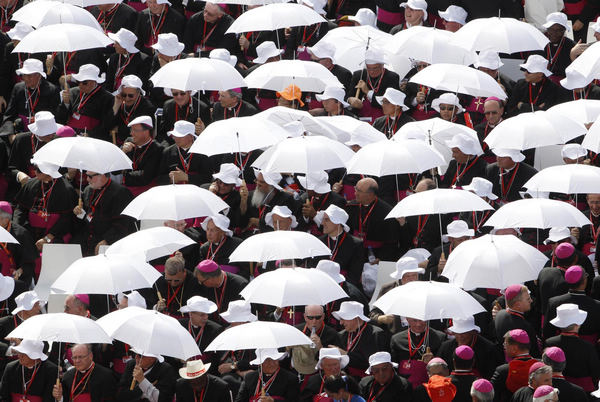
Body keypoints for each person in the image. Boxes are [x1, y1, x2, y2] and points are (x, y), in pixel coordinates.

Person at [13, 160, 78, 253]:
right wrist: (17, 229)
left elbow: (66, 219)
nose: (34, 171)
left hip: (55, 235)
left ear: (48, 171)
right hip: (31, 233)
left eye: (38, 170)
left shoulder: (66, 189)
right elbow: (21, 209)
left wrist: (48, 238)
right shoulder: (31, 184)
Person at [72, 170, 135, 255]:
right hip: (90, 240)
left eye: (90, 176)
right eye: (86, 176)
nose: (87, 179)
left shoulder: (120, 193)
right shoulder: (88, 190)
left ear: (101, 175)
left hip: (110, 243)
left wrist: (107, 240)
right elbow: (90, 216)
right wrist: (80, 213)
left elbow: (124, 223)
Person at [545, 303, 600, 392]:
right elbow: (595, 372)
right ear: (577, 324)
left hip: (555, 387)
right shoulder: (588, 346)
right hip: (583, 389)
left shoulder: (550, 343)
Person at [0, 58, 60, 138]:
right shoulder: (18, 88)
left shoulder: (52, 90)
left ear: (38, 75)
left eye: (29, 75)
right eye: (24, 75)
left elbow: (55, 118)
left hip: (42, 134)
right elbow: (9, 115)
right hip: (19, 132)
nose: (25, 78)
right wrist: (11, 135)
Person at [345, 177, 398, 263]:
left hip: (375, 255)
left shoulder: (387, 212)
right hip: (354, 251)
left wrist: (381, 258)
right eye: (356, 189)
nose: (355, 193)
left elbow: (391, 240)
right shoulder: (351, 206)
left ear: (370, 194)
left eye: (359, 191)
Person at [56, 64, 115, 140]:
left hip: (91, 138)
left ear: (94, 81)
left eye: (84, 82)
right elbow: (60, 119)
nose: (80, 85)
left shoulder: (107, 98)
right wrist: (66, 104)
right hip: (70, 135)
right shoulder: (72, 92)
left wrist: (90, 135)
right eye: (78, 81)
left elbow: (106, 124)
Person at [544, 266, 600, 342]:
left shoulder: (553, 302)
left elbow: (548, 332)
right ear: (584, 281)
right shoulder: (597, 305)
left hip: (560, 347)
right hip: (589, 350)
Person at [333, 301, 388, 379]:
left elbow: (372, 363)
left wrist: (346, 354)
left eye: (343, 318)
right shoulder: (341, 335)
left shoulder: (375, 334)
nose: (341, 323)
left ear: (355, 318)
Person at [346, 48, 400, 123]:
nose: (371, 71)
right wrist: (351, 100)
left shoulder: (392, 77)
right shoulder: (359, 75)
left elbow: (389, 102)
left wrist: (367, 92)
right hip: (361, 117)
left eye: (375, 68)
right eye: (369, 68)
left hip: (382, 118)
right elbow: (348, 96)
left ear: (382, 65)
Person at [390, 317, 446, 388]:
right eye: (414, 320)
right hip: (406, 385)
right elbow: (394, 366)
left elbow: (446, 366)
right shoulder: (397, 339)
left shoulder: (440, 337)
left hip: (431, 384)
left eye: (421, 320)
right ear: (408, 320)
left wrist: (434, 360)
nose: (418, 324)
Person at [314, 205, 363, 286]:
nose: (322, 223)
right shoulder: (318, 241)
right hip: (320, 285)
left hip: (344, 286)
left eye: (326, 220)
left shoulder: (355, 244)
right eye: (323, 219)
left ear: (337, 223)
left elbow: (354, 275)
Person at [238, 170, 300, 235]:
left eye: (262, 182)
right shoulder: (251, 195)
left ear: (272, 186)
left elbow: (282, 226)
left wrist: (258, 223)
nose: (258, 184)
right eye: (257, 180)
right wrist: (243, 202)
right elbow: (241, 223)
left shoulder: (285, 199)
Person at [8, 111, 60, 187]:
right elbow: (11, 168)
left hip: (51, 185)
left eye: (53, 132)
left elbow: (62, 169)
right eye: (48, 133)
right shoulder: (21, 140)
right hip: (26, 184)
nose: (51, 136)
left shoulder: (57, 141)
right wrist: (19, 175)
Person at [289, 305, 341, 380]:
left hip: (319, 376)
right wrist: (287, 347)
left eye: (318, 317)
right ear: (305, 317)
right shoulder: (296, 330)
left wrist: (321, 348)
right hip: (296, 373)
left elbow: (336, 362)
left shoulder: (332, 334)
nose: (314, 321)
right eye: (310, 318)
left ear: (323, 316)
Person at [52, 344, 117, 402]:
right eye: (74, 357)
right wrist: (60, 397)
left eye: (81, 357)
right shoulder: (67, 376)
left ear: (91, 356)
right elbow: (66, 399)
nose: (77, 361)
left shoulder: (106, 376)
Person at [157, 120, 213, 186]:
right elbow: (159, 179)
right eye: (175, 135)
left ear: (191, 136)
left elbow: (208, 178)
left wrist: (187, 177)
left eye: (180, 136)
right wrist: (170, 178)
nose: (176, 138)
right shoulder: (167, 152)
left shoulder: (203, 151)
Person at [235, 348, 300, 401]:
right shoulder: (249, 377)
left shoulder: (291, 379)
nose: (271, 363)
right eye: (267, 360)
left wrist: (273, 401)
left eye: (274, 359)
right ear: (260, 363)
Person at [490, 330, 538, 401]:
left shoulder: (503, 370)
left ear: (514, 348)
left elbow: (491, 395)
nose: (504, 346)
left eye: (505, 344)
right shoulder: (540, 367)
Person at [121, 115, 163, 196]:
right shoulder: (129, 141)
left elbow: (145, 177)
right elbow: (115, 171)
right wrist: (123, 152)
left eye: (135, 130)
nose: (131, 133)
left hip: (146, 191)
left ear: (146, 132)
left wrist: (124, 174)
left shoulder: (157, 149)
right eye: (131, 130)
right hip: (126, 187)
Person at [110, 74, 156, 145]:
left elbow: (139, 131)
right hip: (119, 142)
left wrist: (119, 129)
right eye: (124, 95)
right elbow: (108, 126)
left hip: (137, 144)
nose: (127, 99)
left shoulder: (147, 107)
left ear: (138, 93)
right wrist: (116, 107)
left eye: (131, 96)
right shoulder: (119, 101)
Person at [494, 285, 540, 356]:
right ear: (518, 304)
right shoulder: (525, 327)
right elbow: (534, 352)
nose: (531, 300)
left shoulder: (499, 314)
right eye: (528, 299)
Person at [179, 296, 222, 369]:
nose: (206, 317)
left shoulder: (215, 329)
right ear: (191, 314)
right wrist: (179, 358)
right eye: (202, 315)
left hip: (206, 368)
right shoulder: (180, 325)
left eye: (207, 314)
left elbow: (216, 357)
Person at [298, 171, 347, 235]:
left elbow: (335, 229)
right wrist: (305, 217)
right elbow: (298, 226)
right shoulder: (305, 197)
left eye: (308, 186)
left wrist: (315, 215)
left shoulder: (337, 201)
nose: (305, 188)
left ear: (315, 188)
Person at [0, 202, 37, 283]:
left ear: (6, 219)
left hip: (16, 278)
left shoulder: (21, 234)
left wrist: (19, 272)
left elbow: (29, 263)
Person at [105, 29, 151, 94]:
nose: (114, 45)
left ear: (124, 46)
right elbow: (109, 81)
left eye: (117, 43)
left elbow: (142, 85)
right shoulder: (114, 57)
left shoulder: (143, 60)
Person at [537, 12, 575, 80]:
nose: (554, 33)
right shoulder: (540, 44)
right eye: (551, 29)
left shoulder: (572, 46)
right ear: (547, 29)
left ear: (564, 30)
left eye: (559, 30)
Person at [474, 97, 505, 162]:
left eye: (494, 113)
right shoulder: (478, 129)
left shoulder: (508, 128)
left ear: (501, 111)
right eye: (487, 113)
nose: (491, 116)